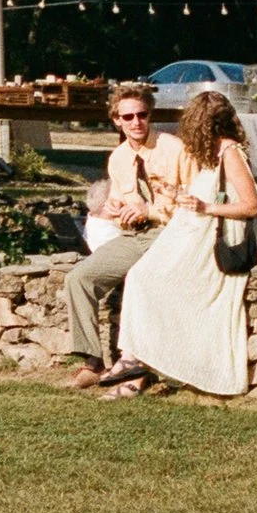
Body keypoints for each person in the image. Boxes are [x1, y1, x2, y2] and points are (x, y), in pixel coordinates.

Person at [108, 93, 257, 398]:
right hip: (192, 231)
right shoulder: (212, 153)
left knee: (149, 280)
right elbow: (208, 195)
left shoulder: (229, 152)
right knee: (141, 278)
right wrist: (177, 193)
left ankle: (139, 361)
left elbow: (251, 206)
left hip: (211, 240)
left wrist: (205, 208)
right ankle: (134, 359)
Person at [63, 85, 194, 390]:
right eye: (128, 116)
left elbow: (189, 201)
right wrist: (117, 206)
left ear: (150, 115)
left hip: (171, 232)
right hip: (136, 235)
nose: (136, 122)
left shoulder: (173, 149)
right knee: (78, 278)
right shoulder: (119, 158)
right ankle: (91, 361)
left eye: (142, 114)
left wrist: (149, 211)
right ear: (116, 121)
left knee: (140, 279)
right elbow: (128, 200)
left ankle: (142, 365)